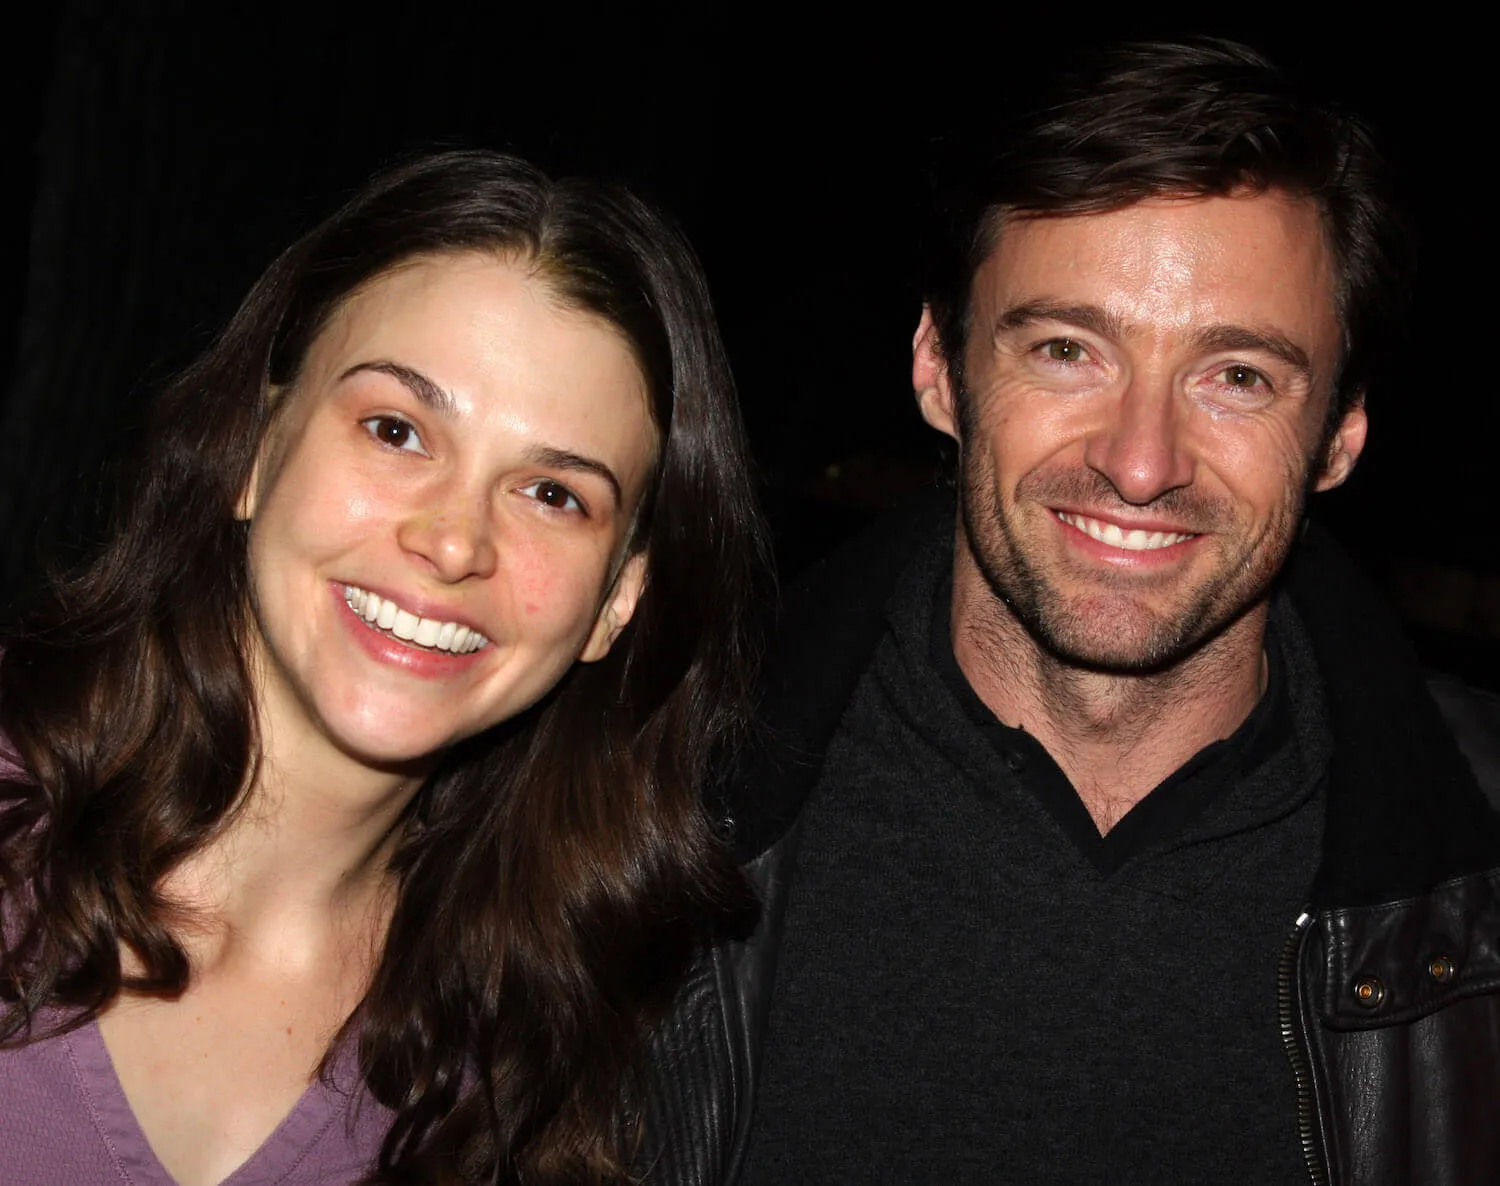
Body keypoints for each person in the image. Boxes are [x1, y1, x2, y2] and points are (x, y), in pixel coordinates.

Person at [642, 38, 1500, 1186]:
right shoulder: (637, 786)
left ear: (1340, 434)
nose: (1141, 463)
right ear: (938, 370)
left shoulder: (1481, 863)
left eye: (1236, 375)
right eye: (1066, 349)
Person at [0, 150, 768, 1185]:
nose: (455, 542)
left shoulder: (532, 1061)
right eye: (396, 430)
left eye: (553, 494)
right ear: (256, 452)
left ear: (615, 602)